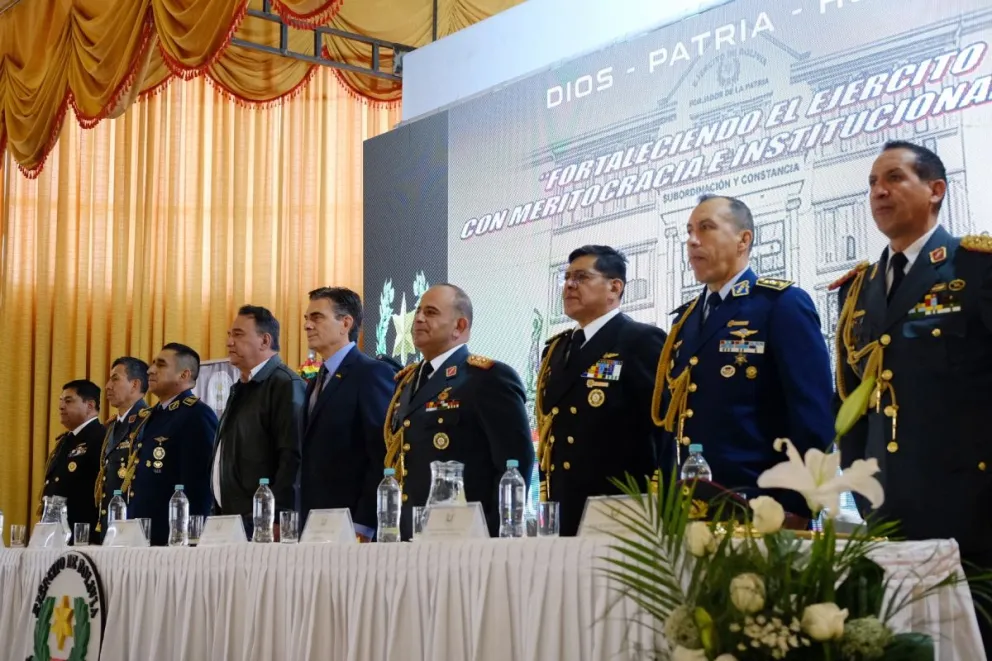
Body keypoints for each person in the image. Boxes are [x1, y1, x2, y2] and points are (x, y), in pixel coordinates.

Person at [833, 141, 992, 651]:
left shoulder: (976, 269)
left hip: (971, 507)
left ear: (936, 190)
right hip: (887, 508)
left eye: (895, 178)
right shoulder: (856, 289)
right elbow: (853, 399)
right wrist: (860, 480)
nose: (879, 191)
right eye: (873, 184)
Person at [653, 194, 834, 518]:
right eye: (689, 231)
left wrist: (798, 507)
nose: (692, 241)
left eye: (706, 228)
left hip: (761, 507)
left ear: (743, 239)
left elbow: (813, 417)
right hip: (688, 508)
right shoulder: (686, 320)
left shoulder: (780, 304)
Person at [535, 245, 667, 536]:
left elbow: (662, 430)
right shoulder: (556, 350)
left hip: (619, 507)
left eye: (581, 277)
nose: (569, 285)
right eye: (566, 277)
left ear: (614, 287)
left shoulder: (640, 340)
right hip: (562, 507)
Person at [384, 284, 534, 539]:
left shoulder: (488, 377)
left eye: (431, 312)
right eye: (418, 311)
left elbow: (514, 464)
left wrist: (494, 535)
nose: (418, 319)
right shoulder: (406, 381)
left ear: (460, 326)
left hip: (463, 536)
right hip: (409, 534)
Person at [300, 287, 394, 541]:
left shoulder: (371, 374)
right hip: (315, 523)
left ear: (346, 323)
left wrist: (364, 523)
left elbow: (381, 455)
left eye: (317, 317)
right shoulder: (315, 381)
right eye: (306, 319)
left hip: (351, 525)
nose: (307, 325)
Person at [212, 305, 305, 530]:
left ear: (265, 341)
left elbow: (292, 456)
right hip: (231, 520)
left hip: (263, 522)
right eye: (229, 335)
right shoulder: (241, 387)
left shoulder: (285, 385)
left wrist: (279, 516)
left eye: (238, 334)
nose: (229, 342)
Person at [126, 343, 217, 545]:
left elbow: (200, 485)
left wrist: (192, 537)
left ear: (184, 375)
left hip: (172, 537)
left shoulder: (197, 414)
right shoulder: (153, 415)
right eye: (152, 364)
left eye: (160, 365)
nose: (150, 370)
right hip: (141, 533)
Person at [94, 357, 149, 539]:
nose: (108, 386)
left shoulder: (148, 421)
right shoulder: (110, 426)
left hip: (133, 526)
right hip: (109, 525)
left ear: (134, 384)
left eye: (115, 379)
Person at [41, 380, 104, 532]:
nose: (61, 406)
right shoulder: (65, 441)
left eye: (68, 401)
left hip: (83, 533)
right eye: (61, 401)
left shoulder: (101, 438)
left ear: (89, 405)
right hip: (56, 532)